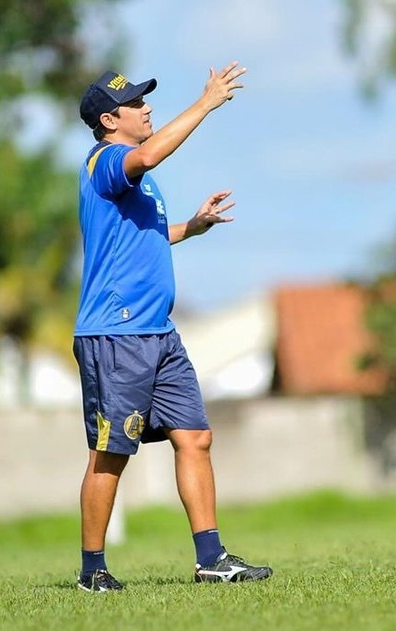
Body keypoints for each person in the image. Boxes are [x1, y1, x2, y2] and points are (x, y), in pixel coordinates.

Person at [72, 61, 272, 592]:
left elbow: (146, 239)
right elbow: (150, 152)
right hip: (115, 335)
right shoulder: (108, 161)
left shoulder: (141, 181)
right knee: (111, 454)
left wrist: (193, 227)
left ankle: (211, 558)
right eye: (137, 103)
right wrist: (206, 103)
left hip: (158, 334)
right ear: (111, 120)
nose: (147, 108)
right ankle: (93, 570)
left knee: (196, 437)